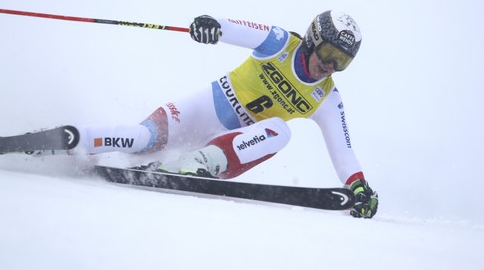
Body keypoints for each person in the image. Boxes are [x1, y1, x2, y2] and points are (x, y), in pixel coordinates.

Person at [74, 11, 379, 218]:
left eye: (342, 61)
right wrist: (211, 25)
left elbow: (344, 152)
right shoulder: (280, 44)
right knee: (142, 138)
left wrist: (358, 185)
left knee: (281, 130)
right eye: (329, 53)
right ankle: (70, 140)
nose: (330, 65)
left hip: (233, 148)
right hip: (199, 114)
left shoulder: (326, 97)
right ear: (313, 39)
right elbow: (234, 29)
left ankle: (195, 164)